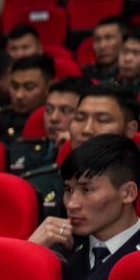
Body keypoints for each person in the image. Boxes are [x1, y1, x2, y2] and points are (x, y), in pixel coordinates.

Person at [28, 135, 140, 280]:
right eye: (68, 190)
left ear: (128, 193)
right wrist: (29, 253)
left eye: (87, 190)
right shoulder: (56, 246)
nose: (72, 204)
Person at [24, 85, 139, 220]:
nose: (87, 129)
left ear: (130, 130)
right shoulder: (36, 185)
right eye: (79, 118)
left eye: (102, 120)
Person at [7, 77, 86, 175]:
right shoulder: (19, 149)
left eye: (66, 111)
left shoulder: (90, 157)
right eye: (49, 109)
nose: (53, 118)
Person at [0, 54, 53, 145]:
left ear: (49, 87)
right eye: (14, 86)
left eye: (29, 87)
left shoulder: (55, 123)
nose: (19, 95)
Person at [87, 17, 128, 81]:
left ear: (124, 41)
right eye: (97, 39)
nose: (102, 46)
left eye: (109, 38)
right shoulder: (85, 74)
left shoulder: (132, 76)